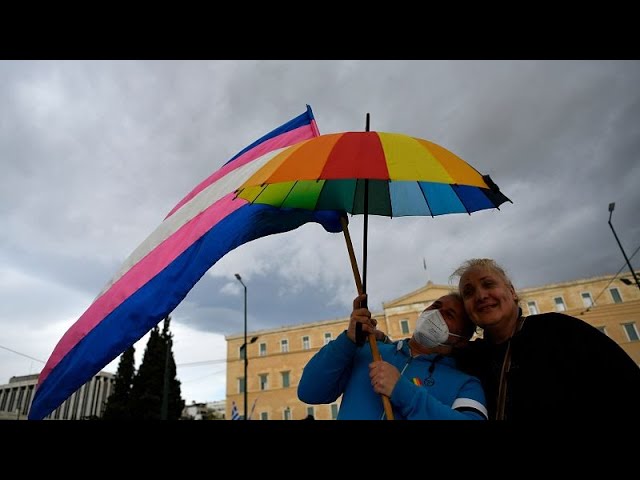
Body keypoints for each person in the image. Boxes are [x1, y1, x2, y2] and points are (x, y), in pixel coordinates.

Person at [451, 258, 640, 420]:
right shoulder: (469, 359)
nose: (481, 295)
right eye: (469, 292)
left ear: (512, 292)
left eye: (488, 284)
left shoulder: (561, 330)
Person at [297, 292, 488, 420]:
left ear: (462, 339)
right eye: (435, 306)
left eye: (449, 314)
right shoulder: (370, 350)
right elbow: (309, 391)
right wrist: (347, 341)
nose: (436, 314)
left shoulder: (466, 385)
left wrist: (403, 392)